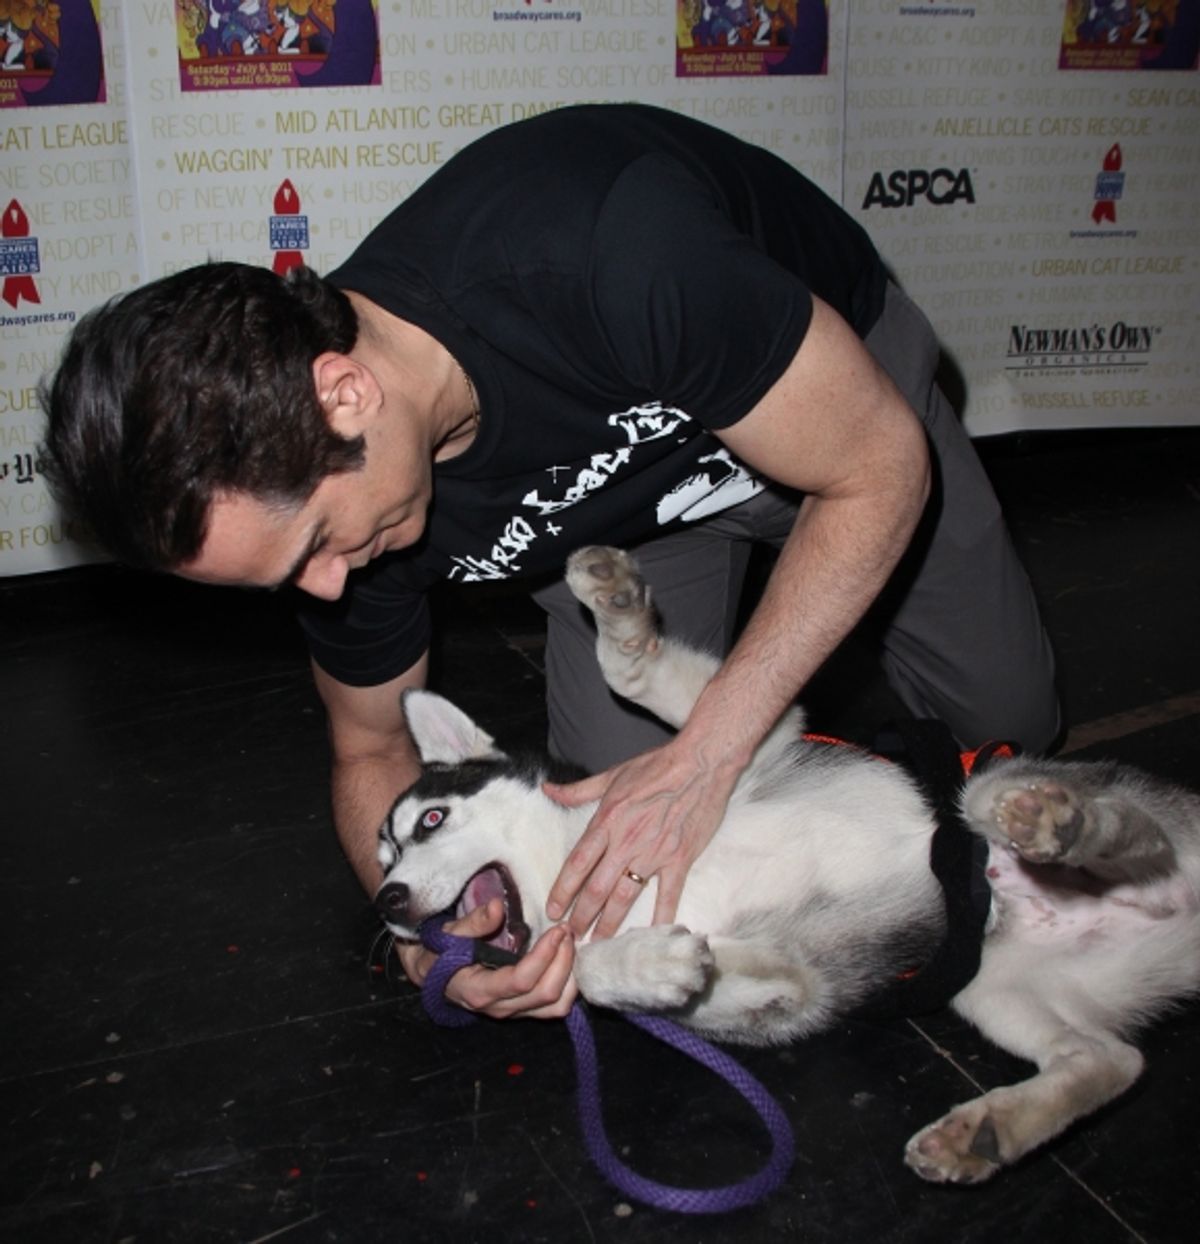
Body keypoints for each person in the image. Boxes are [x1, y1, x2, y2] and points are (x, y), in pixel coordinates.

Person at [39, 103, 1059, 1022]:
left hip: (837, 418)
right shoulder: (353, 520)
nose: (328, 587)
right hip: (637, 528)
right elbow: (369, 751)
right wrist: (431, 943)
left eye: (313, 544)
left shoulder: (596, 249)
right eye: (288, 580)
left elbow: (876, 467)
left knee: (1008, 717)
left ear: (344, 393)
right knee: (601, 826)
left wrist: (707, 754)